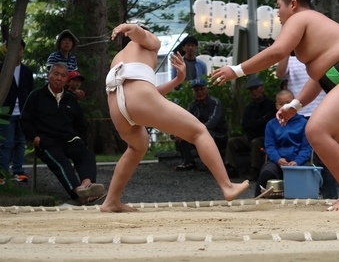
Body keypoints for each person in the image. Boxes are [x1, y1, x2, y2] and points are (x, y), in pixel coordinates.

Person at [211, 0, 339, 211]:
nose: (278, 13)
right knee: (334, 137)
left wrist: (236, 70)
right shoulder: (315, 28)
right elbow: (320, 77)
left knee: (316, 130)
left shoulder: (300, 18)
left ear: (293, 4)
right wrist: (296, 105)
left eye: (279, 6)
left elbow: (278, 51)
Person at [101, 23, 248, 212]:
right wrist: (132, 27)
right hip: (138, 99)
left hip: (117, 108)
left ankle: (111, 200)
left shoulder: (119, 58)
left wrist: (177, 80)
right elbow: (141, 36)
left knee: (137, 146)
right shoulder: (150, 44)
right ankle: (227, 186)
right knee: (198, 131)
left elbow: (145, 91)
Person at [20, 63, 105, 205]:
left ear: (67, 80)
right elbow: (24, 121)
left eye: (63, 75)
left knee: (86, 155)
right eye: (56, 74)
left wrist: (82, 142)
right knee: (62, 162)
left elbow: (81, 124)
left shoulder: (71, 99)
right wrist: (34, 137)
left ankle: (87, 185)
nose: (59, 78)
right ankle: (79, 193)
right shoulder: (36, 96)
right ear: (49, 75)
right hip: (47, 141)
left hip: (70, 140)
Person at [276, 52, 338, 199]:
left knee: (325, 155)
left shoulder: (324, 57)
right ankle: (305, 194)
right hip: (298, 115)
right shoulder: (291, 60)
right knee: (302, 156)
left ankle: (331, 195)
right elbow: (279, 73)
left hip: (324, 112)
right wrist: (287, 47)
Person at [255, 90, 312, 197]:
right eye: (281, 104)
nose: (285, 107)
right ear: (277, 106)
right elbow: (270, 146)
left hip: (298, 161)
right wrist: (278, 159)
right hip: (277, 162)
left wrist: (297, 161)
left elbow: (307, 147)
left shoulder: (304, 123)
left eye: (288, 103)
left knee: (309, 172)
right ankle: (258, 199)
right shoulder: (271, 124)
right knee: (266, 172)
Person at [224, 76, 277, 181]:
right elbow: (244, 125)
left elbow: (269, 124)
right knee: (232, 141)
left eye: (256, 88)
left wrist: (255, 124)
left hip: (264, 137)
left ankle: (255, 170)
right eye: (251, 89)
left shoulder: (271, 105)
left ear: (262, 88)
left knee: (256, 142)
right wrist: (258, 122)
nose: (254, 91)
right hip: (250, 136)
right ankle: (231, 167)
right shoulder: (249, 107)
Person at [174, 78, 228, 171]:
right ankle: (188, 162)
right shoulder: (192, 105)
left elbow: (212, 123)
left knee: (207, 134)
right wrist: (180, 132)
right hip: (199, 133)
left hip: (218, 135)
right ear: (193, 92)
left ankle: (213, 164)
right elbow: (186, 121)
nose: (199, 92)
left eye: (202, 89)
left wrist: (195, 131)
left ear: (206, 89)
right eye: (196, 90)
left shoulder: (215, 103)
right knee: (181, 134)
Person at [0, 39, 34, 184]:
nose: (17, 52)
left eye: (20, 49)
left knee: (20, 142)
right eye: (14, 49)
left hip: (22, 112)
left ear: (22, 51)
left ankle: (18, 171)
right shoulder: (2, 69)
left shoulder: (27, 71)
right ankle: (2, 172)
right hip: (6, 112)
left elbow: (30, 91)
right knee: (6, 143)